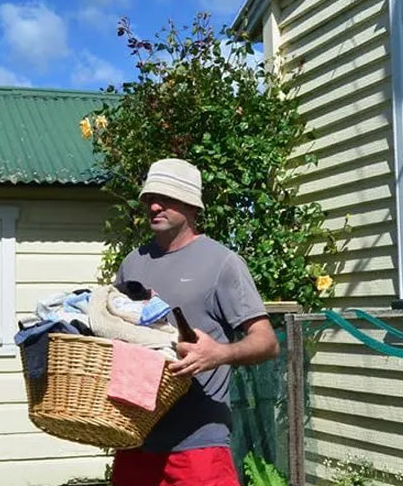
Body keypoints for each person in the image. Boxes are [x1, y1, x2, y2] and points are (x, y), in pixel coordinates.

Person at [111, 158, 279, 486]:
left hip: (198, 444)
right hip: (136, 440)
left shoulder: (222, 263)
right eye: (149, 198)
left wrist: (220, 354)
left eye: (166, 198)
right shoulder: (132, 263)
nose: (154, 205)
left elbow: (268, 342)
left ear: (191, 205)